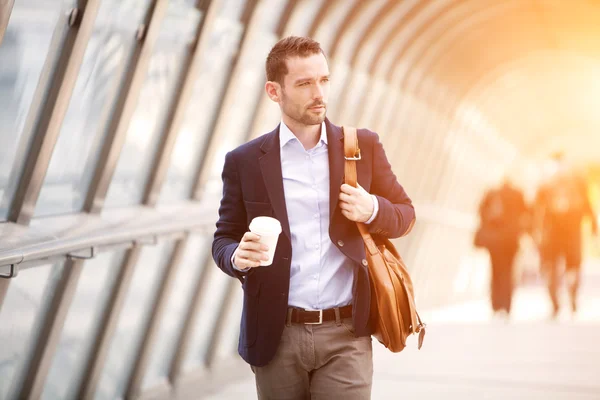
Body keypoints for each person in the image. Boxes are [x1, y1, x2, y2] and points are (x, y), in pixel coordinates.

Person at [212, 36, 415, 399]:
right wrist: (235, 257)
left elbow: (405, 215)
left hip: (347, 334)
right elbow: (224, 237)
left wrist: (372, 209)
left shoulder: (362, 147)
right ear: (274, 92)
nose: (318, 92)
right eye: (304, 83)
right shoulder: (245, 161)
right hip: (277, 336)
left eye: (324, 80)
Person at [534, 153, 598, 317]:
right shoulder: (577, 182)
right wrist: (593, 227)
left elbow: (537, 209)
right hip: (572, 231)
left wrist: (536, 231)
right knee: (573, 266)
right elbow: (587, 205)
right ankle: (572, 294)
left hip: (552, 233)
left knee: (552, 267)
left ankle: (555, 304)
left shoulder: (547, 182)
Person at [476, 177, 529, 319]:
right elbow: (527, 214)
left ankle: (496, 304)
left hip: (495, 241)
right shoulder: (518, 194)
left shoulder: (492, 193)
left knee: (496, 271)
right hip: (511, 240)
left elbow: (481, 211)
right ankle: (507, 305)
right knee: (508, 271)